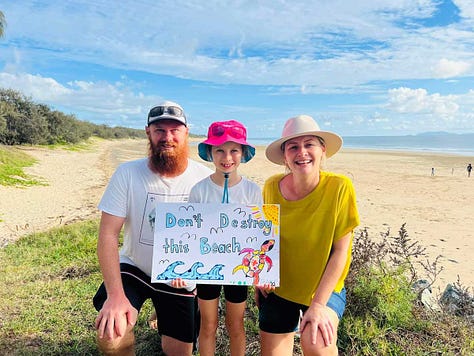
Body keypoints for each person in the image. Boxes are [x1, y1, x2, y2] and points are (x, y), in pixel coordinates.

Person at [93, 101, 213, 356]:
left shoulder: (204, 178)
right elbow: (108, 234)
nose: (167, 137)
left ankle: (171, 311)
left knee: (179, 352)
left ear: (186, 132)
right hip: (135, 266)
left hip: (178, 277)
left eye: (174, 130)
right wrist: (115, 296)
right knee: (111, 335)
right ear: (148, 132)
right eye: (160, 130)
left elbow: (212, 237)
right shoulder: (127, 173)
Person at [257, 115, 360, 355]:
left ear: (322, 150)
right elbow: (267, 239)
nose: (301, 152)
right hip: (280, 288)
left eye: (309, 144)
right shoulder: (272, 186)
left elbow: (341, 251)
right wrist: (261, 275)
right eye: (293, 146)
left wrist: (318, 305)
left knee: (316, 343)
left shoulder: (340, 187)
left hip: (323, 289)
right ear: (285, 155)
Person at [173, 120, 262, 356]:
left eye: (234, 150)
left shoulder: (252, 191)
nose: (227, 157)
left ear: (243, 153)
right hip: (206, 270)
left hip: (238, 271)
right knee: (208, 324)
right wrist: (181, 270)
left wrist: (261, 273)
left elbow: (258, 235)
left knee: (236, 325)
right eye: (219, 150)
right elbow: (187, 234)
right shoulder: (199, 190)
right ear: (210, 153)